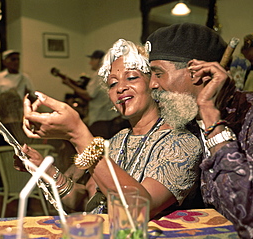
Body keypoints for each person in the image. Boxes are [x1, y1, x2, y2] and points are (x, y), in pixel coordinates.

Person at [21, 39, 202, 218]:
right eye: (112, 83)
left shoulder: (181, 144)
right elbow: (90, 202)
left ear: (152, 83)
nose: (121, 87)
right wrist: (46, 171)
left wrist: (77, 134)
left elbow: (138, 210)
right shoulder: (118, 140)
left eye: (131, 77)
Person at [145, 22, 253, 238]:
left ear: (196, 72)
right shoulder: (188, 121)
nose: (152, 85)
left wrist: (212, 120)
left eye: (158, 74)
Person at [61, 49, 127, 139]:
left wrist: (69, 85)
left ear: (99, 60)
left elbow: (89, 95)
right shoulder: (109, 73)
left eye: (92, 60)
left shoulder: (98, 75)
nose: (90, 63)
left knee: (97, 148)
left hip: (99, 119)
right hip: (112, 117)